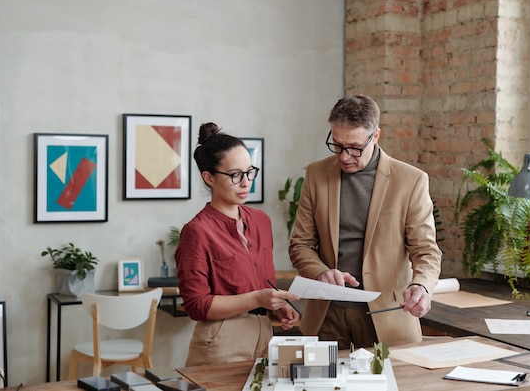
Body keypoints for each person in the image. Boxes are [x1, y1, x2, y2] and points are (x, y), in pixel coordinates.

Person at [289, 95, 442, 349]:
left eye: (354, 148)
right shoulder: (316, 174)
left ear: (376, 136)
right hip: (326, 316)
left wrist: (421, 286)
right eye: (337, 145)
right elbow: (300, 245)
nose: (345, 156)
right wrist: (321, 272)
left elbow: (426, 250)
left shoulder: (411, 180)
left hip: (387, 316)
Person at [176, 122, 300, 366]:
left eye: (249, 172)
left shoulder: (261, 221)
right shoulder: (196, 232)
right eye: (235, 175)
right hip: (220, 342)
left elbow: (261, 283)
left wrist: (278, 305)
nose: (246, 182)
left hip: (264, 335)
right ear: (209, 177)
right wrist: (259, 299)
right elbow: (196, 305)